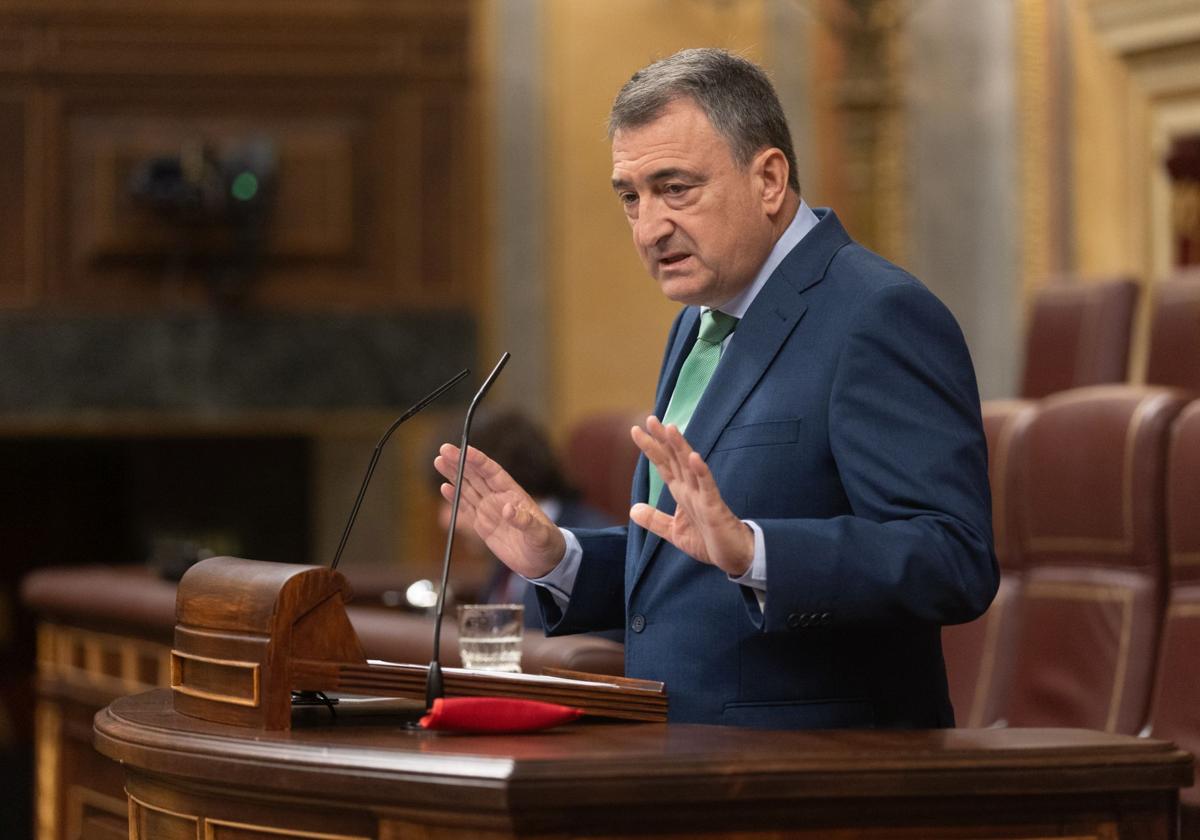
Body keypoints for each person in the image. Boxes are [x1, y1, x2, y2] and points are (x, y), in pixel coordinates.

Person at [435, 48, 998, 728]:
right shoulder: (697, 325)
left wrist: (759, 552)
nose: (648, 228)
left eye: (676, 189)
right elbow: (687, 565)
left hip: (821, 783)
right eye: (629, 197)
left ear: (768, 178)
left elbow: (951, 558)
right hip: (690, 771)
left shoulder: (877, 315)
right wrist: (561, 558)